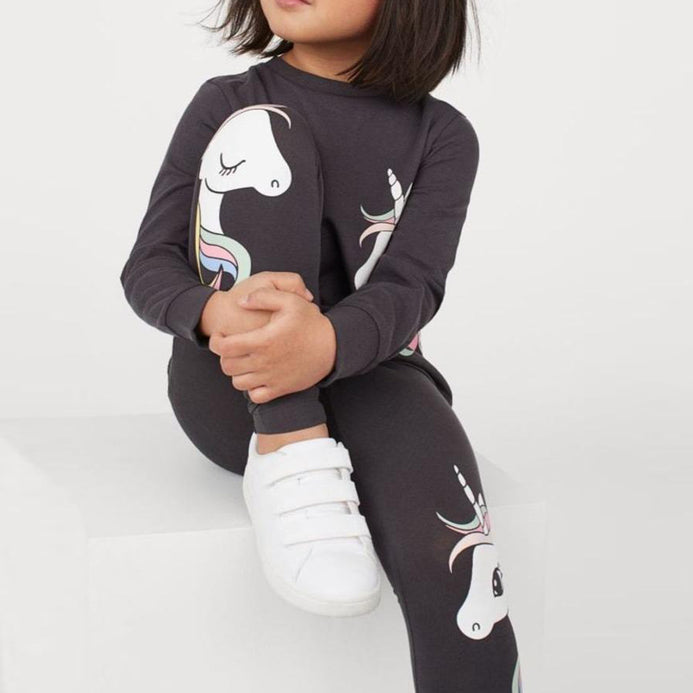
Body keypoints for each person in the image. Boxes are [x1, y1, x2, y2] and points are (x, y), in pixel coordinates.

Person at [119, 0, 523, 690]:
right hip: (233, 385)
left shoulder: (442, 135)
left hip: (371, 372)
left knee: (455, 554)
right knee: (267, 129)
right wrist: (214, 313)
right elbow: (148, 266)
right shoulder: (227, 103)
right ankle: (291, 442)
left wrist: (328, 340)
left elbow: (412, 286)